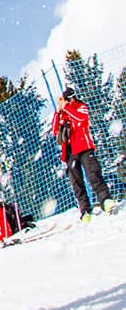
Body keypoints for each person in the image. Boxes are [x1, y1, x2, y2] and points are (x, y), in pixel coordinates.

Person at [52, 87, 117, 222]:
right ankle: (85, 210)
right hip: (69, 152)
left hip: (84, 147)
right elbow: (55, 131)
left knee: (93, 175)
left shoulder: (80, 107)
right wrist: (58, 113)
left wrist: (68, 108)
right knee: (76, 183)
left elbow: (82, 119)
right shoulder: (63, 114)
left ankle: (105, 200)